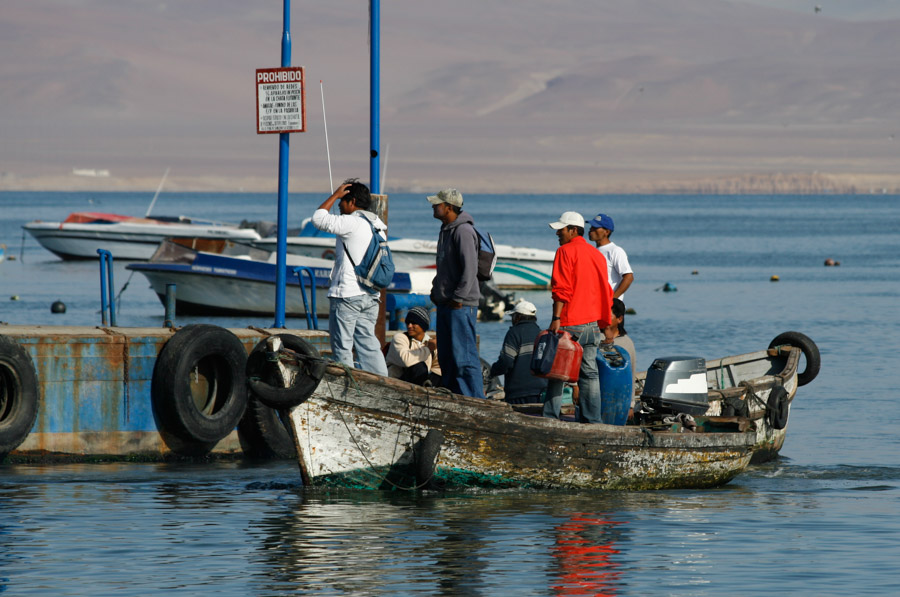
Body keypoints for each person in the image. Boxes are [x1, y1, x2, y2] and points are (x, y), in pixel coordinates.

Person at [311, 179, 389, 376]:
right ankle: (382, 382)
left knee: (342, 348)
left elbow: (318, 218)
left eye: (342, 202)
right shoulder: (377, 225)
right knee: (369, 345)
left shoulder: (352, 222)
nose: (339, 206)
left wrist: (335, 194)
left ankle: (347, 386)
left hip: (347, 295)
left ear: (352, 202)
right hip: (370, 295)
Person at [544, 211, 613, 422]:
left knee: (557, 373)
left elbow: (561, 289)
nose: (557, 233)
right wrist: (604, 323)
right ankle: (593, 421)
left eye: (561, 230)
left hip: (570, 323)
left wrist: (556, 318)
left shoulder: (564, 251)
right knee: (590, 374)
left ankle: (550, 418)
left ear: (573, 230)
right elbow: (606, 291)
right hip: (592, 325)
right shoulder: (597, 255)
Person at [428, 188, 486, 398]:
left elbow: (469, 268)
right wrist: (436, 290)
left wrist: (458, 297)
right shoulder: (446, 229)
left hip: (460, 304)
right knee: (447, 356)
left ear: (449, 207)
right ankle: (455, 397)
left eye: (437, 204)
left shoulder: (463, 231)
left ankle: (476, 401)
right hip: (446, 303)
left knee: (464, 357)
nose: (433, 207)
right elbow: (444, 267)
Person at [490, 300, 548, 404]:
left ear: (517, 317)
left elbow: (506, 361)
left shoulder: (514, 333)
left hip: (517, 393)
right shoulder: (542, 334)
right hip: (540, 392)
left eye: (513, 316)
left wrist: (493, 371)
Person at [385, 306, 442, 386]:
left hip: (420, 382)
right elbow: (406, 361)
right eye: (408, 323)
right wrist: (428, 349)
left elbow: (438, 368)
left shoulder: (430, 342)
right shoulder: (400, 338)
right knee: (419, 366)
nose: (409, 326)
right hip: (397, 383)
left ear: (423, 325)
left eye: (413, 323)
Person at [588, 213, 633, 303]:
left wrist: (612, 299)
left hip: (610, 307)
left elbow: (629, 277)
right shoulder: (592, 251)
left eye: (595, 228)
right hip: (595, 305)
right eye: (591, 227)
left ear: (607, 232)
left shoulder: (615, 251)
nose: (591, 230)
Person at [602, 298, 637, 408]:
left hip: (619, 396)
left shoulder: (627, 343)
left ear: (619, 319)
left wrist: (631, 405)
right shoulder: (596, 338)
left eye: (608, 316)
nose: (604, 319)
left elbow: (631, 373)